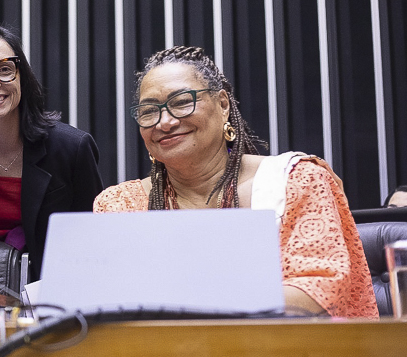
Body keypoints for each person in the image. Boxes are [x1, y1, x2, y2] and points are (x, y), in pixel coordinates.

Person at [93, 46, 378, 319]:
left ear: (222, 104)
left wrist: (171, 298)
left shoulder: (296, 181)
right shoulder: (119, 204)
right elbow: (98, 303)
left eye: (181, 102)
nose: (164, 122)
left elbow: (317, 293)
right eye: (148, 111)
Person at [0, 22, 103, 282]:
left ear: (21, 77)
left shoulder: (71, 149)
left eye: (4, 70)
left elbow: (91, 241)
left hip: (47, 293)